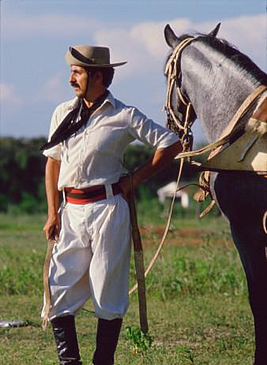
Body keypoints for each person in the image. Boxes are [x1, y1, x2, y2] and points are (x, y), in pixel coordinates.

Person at [41, 44, 182, 365]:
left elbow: (170, 143)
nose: (70, 79)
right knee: (59, 286)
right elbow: (52, 163)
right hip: (70, 211)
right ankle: (70, 362)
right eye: (72, 72)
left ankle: (102, 361)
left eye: (77, 72)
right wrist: (52, 212)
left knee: (107, 290)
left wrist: (135, 179)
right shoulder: (63, 113)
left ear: (98, 76)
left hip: (108, 210)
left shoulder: (123, 115)